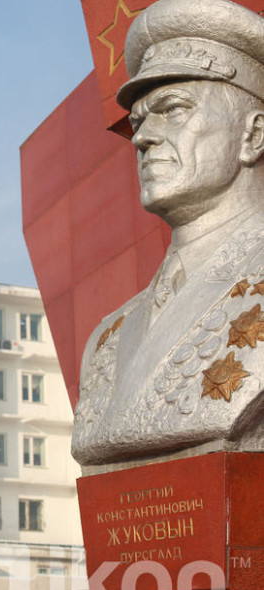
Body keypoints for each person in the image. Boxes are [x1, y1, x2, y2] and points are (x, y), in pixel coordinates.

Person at [72, 0, 264, 470]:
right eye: (139, 121)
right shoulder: (107, 338)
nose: (142, 137)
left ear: (253, 136)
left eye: (172, 110)